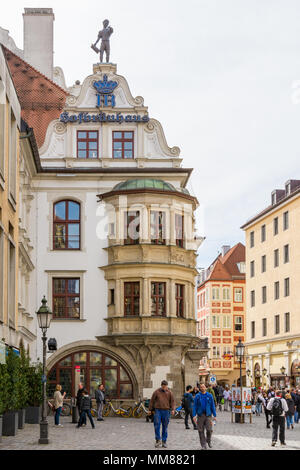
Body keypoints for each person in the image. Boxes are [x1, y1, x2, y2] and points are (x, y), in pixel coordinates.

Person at [148, 380, 175, 448]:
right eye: (163, 386)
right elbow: (152, 401)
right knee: (157, 425)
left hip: (166, 411)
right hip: (158, 410)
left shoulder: (169, 392)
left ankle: (164, 441)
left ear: (167, 386)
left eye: (165, 386)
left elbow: (172, 402)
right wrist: (150, 409)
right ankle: (158, 440)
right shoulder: (157, 392)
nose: (164, 387)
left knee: (165, 426)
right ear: (161, 385)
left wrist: (173, 409)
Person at [193, 383, 216, 450]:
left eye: (203, 387)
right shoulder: (197, 396)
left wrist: (214, 415)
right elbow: (195, 406)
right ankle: (203, 445)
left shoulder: (209, 395)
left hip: (208, 415)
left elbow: (212, 405)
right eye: (201, 387)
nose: (202, 388)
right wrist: (194, 415)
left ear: (206, 388)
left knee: (209, 430)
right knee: (200, 431)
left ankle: (208, 440)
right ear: (200, 388)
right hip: (200, 415)